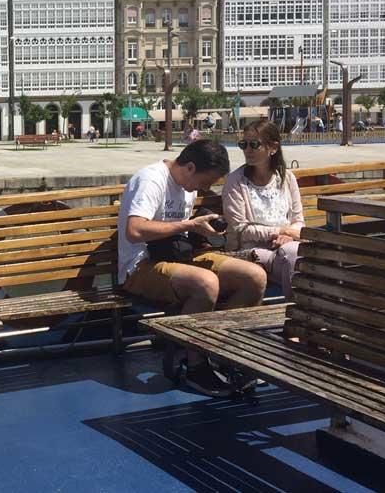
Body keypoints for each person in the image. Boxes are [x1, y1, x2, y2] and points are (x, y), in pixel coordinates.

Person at [118, 139, 267, 397]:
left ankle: (222, 351)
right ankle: (196, 365)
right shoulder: (151, 180)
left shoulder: (188, 186)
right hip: (140, 266)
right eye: (205, 182)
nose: (205, 188)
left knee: (254, 276)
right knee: (205, 282)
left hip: (177, 258)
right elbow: (135, 230)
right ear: (189, 167)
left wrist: (201, 231)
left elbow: (180, 230)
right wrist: (188, 226)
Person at [222, 120, 303, 298]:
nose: (247, 150)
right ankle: (296, 313)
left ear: (273, 148)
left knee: (293, 254)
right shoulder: (235, 181)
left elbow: (298, 221)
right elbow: (240, 229)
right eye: (243, 144)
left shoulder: (287, 178)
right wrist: (279, 231)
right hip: (248, 251)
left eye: (254, 144)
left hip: (287, 245)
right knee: (293, 259)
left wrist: (288, 235)